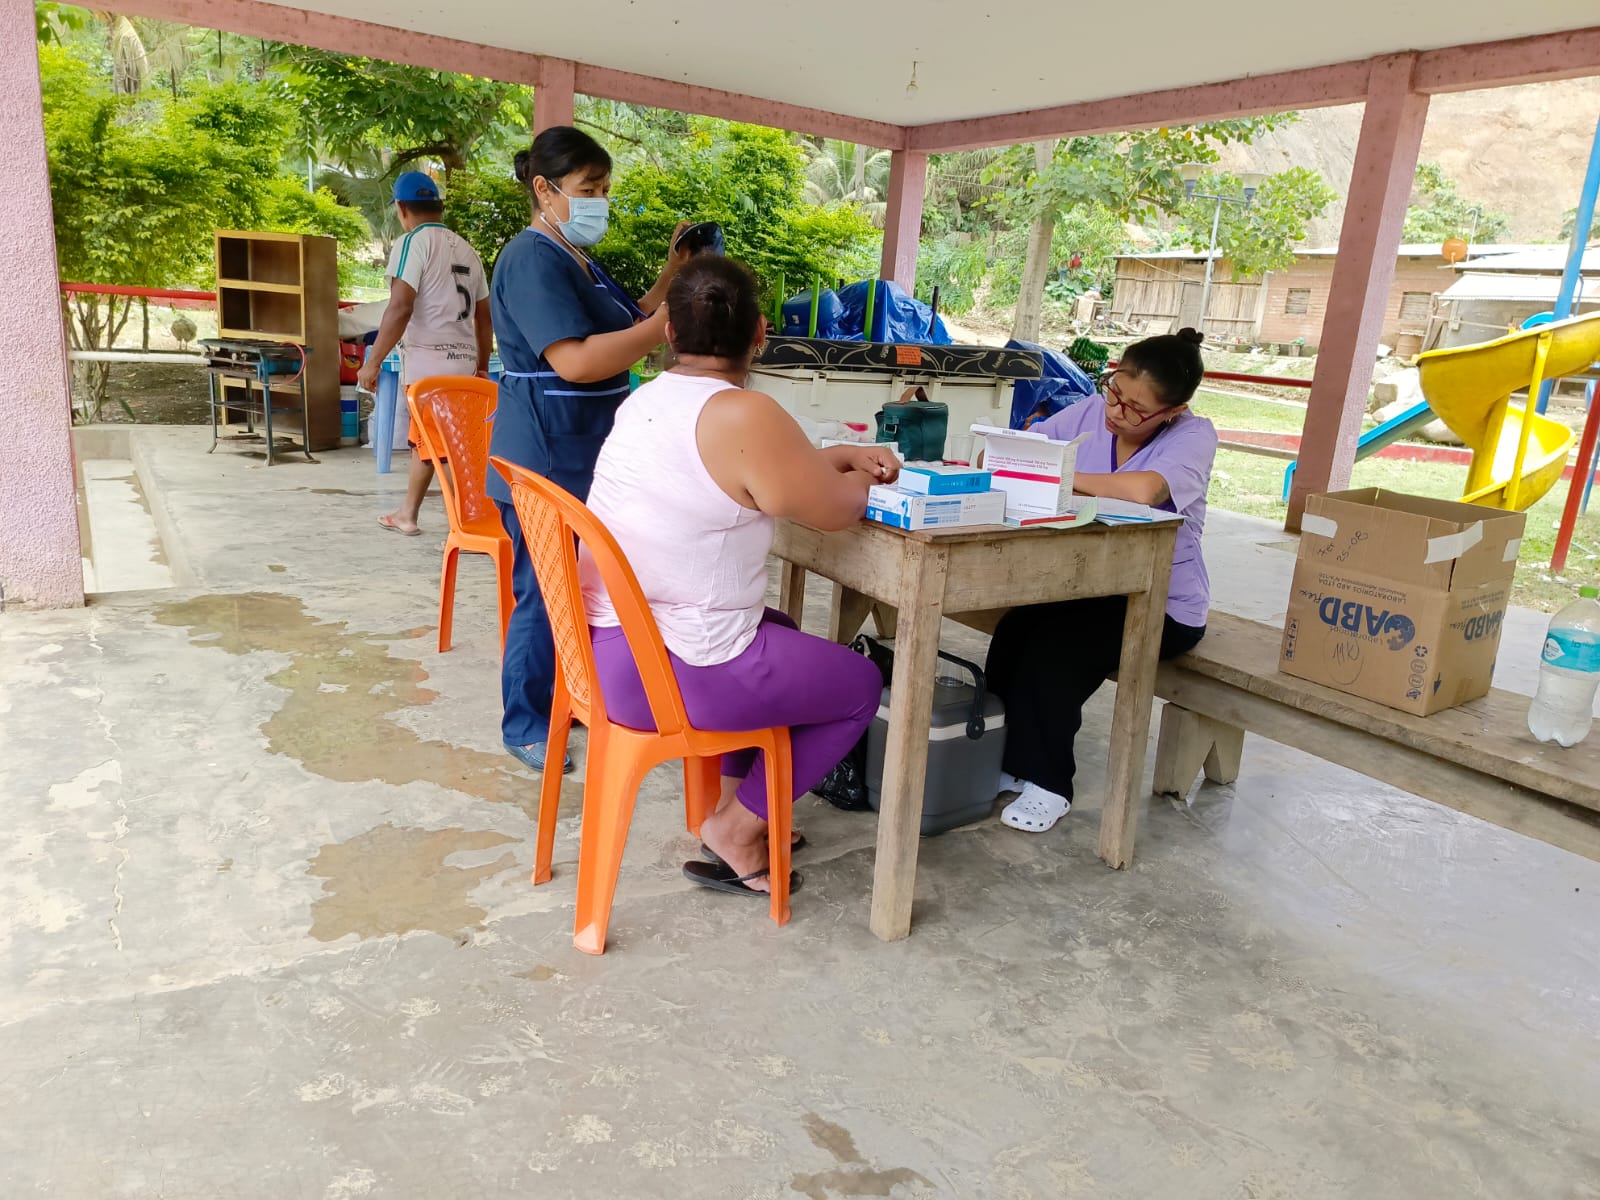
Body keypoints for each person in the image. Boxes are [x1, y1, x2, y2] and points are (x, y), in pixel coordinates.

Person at [579, 256, 899, 896]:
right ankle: (739, 825)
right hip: (674, 675)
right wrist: (868, 474)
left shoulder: (644, 400)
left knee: (776, 627)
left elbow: (766, 470)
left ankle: (736, 801)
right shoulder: (747, 411)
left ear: (668, 333)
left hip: (607, 653)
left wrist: (834, 456)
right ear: (759, 334)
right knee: (860, 683)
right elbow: (835, 512)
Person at [488, 127, 692, 773]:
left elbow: (624, 317)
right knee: (544, 593)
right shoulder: (529, 258)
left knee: (580, 591)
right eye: (588, 189)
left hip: (586, 452)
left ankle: (572, 699)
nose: (599, 201)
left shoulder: (573, 255)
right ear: (544, 190)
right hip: (544, 454)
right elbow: (574, 360)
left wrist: (671, 280)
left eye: (605, 189)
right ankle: (524, 722)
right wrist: (668, 326)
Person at [985, 327, 1217, 833]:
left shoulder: (1193, 437)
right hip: (1084, 585)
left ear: (1171, 412)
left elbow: (1144, 489)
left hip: (1160, 603)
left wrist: (1058, 474)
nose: (1117, 412)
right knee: (1014, 632)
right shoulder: (1091, 410)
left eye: (1137, 409)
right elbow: (1022, 448)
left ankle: (1050, 783)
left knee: (1060, 649)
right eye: (1116, 392)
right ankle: (1007, 757)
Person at [359, 171, 492, 536]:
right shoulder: (467, 249)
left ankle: (470, 521)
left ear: (402, 209)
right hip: (463, 363)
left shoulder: (412, 243)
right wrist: (480, 365)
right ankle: (407, 514)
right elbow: (484, 316)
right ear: (438, 206)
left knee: (443, 448)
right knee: (429, 442)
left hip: (428, 368)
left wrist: (371, 363)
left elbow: (400, 307)